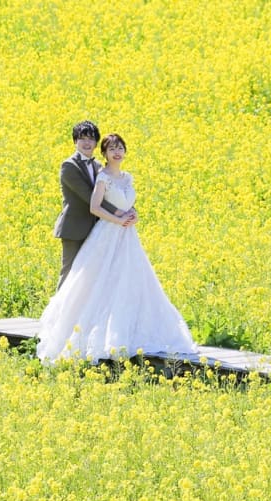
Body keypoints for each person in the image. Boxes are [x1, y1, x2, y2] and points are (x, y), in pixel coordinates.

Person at [37, 132, 199, 364]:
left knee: (132, 279)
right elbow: (95, 207)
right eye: (112, 148)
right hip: (108, 233)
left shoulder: (128, 177)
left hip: (127, 235)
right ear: (104, 154)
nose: (117, 152)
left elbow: (128, 204)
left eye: (120, 148)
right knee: (101, 280)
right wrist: (118, 219)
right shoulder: (102, 177)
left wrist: (133, 215)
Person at [53, 120, 134, 290]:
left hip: (98, 228)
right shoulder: (69, 166)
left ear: (97, 143)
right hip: (74, 228)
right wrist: (119, 213)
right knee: (69, 273)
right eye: (82, 138)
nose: (87, 143)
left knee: (92, 276)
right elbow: (89, 197)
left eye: (91, 139)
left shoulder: (98, 166)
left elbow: (113, 192)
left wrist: (131, 211)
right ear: (75, 141)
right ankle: (60, 315)